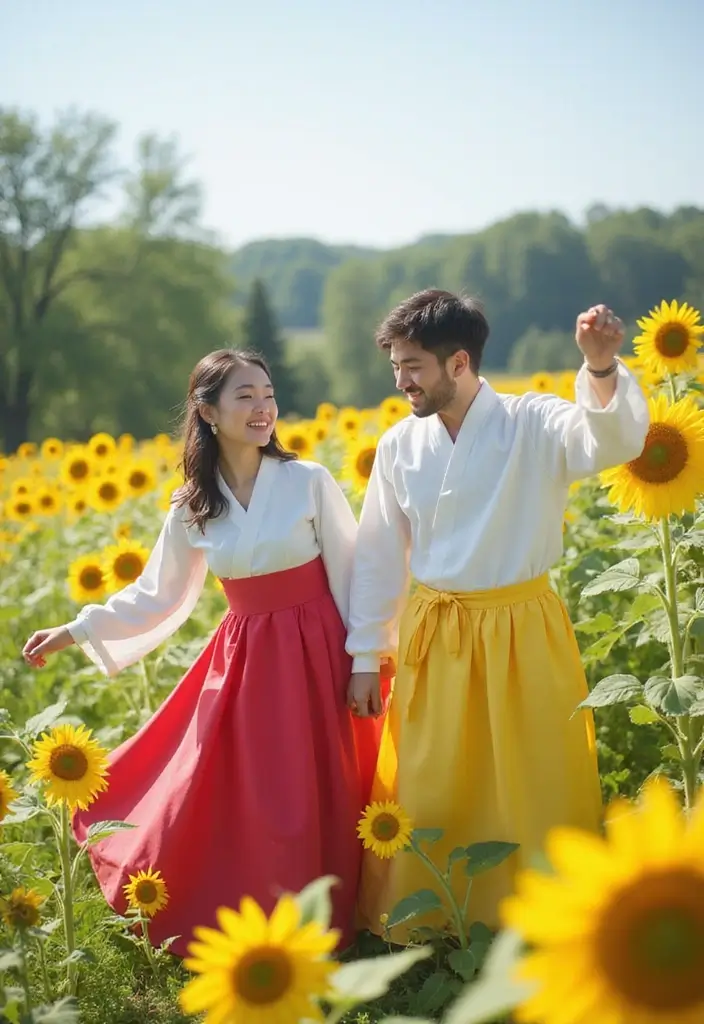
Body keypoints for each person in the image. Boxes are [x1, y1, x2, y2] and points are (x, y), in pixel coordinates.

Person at [22, 349, 385, 955]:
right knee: (261, 792)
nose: (262, 407)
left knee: (328, 784)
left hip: (320, 650)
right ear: (208, 410)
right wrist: (76, 629)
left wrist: (367, 658)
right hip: (248, 661)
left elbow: (354, 575)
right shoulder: (193, 502)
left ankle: (343, 918)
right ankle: (273, 920)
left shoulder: (308, 482)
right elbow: (157, 594)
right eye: (245, 396)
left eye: (267, 394)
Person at [345, 290, 650, 940]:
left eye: (413, 366)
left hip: (523, 625)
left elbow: (615, 441)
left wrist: (600, 369)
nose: (401, 381)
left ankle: (549, 922)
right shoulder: (400, 444)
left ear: (459, 363)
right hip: (436, 631)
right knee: (432, 778)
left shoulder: (533, 422)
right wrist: (366, 655)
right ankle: (435, 921)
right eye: (396, 366)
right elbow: (378, 554)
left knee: (537, 776)